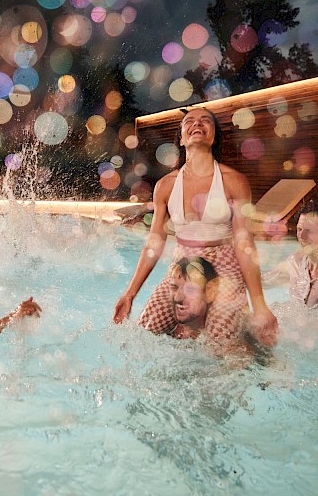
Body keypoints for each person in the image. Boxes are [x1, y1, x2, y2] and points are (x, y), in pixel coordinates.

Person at [113, 107, 277, 349]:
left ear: (213, 137)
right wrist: (129, 294)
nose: (197, 123)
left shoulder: (234, 181)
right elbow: (154, 242)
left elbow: (244, 243)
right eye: (189, 121)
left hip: (225, 268)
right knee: (146, 331)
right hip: (182, 265)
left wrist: (260, 305)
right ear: (181, 137)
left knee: (223, 339)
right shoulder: (166, 186)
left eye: (205, 121)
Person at [262, 204, 318, 308]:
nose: (301, 236)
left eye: (308, 231)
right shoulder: (294, 262)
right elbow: (263, 281)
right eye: (299, 229)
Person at [169, 256, 218, 340]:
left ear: (210, 293)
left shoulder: (224, 345)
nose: (177, 298)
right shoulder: (161, 334)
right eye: (174, 287)